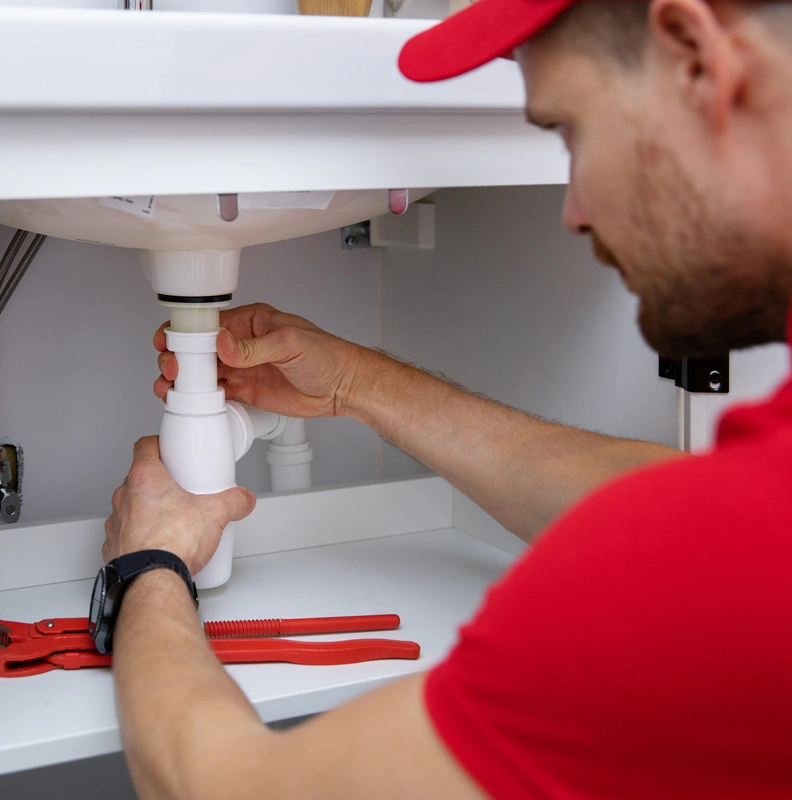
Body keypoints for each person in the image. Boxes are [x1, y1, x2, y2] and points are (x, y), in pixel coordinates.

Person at [100, 1, 792, 797]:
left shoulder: (733, 571)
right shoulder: (753, 521)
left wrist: (146, 567)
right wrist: (360, 384)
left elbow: (226, 788)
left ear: (697, 59)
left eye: (569, 131)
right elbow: (673, 511)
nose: (572, 213)